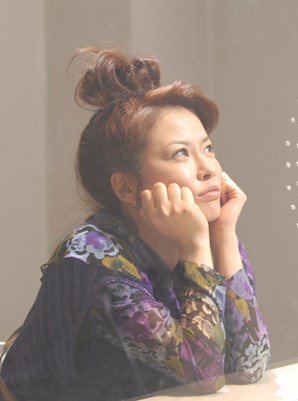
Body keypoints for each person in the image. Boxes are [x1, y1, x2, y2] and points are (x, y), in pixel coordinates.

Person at [0, 48, 270, 401]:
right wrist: (195, 247)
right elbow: (205, 376)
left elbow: (249, 365)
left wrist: (224, 233)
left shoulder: (207, 235)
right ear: (127, 188)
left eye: (208, 148)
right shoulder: (93, 257)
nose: (208, 169)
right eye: (181, 153)